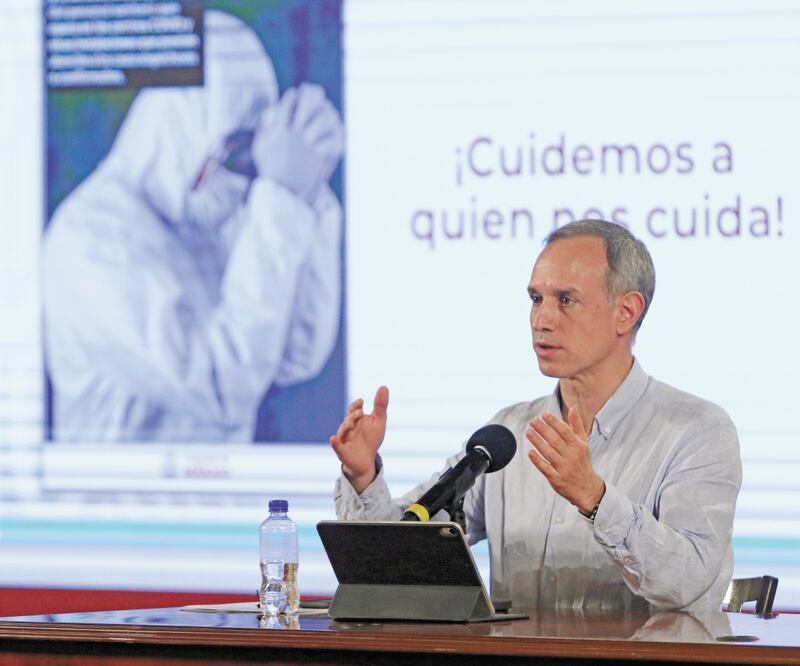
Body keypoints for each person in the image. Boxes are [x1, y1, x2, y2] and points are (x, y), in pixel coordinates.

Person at [331, 220, 742, 612]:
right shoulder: (505, 437)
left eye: (566, 300)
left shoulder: (697, 431)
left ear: (626, 311)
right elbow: (399, 562)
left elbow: (690, 582)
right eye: (535, 299)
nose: (542, 320)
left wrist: (596, 499)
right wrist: (363, 477)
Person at [43, 10, 344, 442]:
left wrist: (308, 194)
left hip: (218, 500)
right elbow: (220, 385)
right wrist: (281, 201)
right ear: (184, 124)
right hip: (118, 506)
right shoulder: (87, 242)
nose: (244, 176)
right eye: (233, 150)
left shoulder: (203, 217)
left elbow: (294, 354)